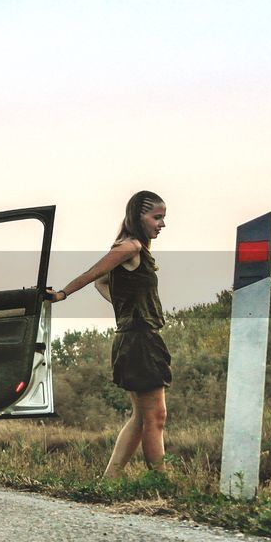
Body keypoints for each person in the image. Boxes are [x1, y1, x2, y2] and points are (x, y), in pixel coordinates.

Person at [49, 191, 169, 478]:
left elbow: (104, 282)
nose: (162, 224)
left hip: (136, 337)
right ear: (138, 216)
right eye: (157, 217)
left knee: (142, 418)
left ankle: (110, 478)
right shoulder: (130, 247)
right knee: (155, 417)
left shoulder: (136, 249)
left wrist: (124, 304)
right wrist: (63, 293)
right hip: (139, 339)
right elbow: (94, 274)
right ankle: (161, 482)